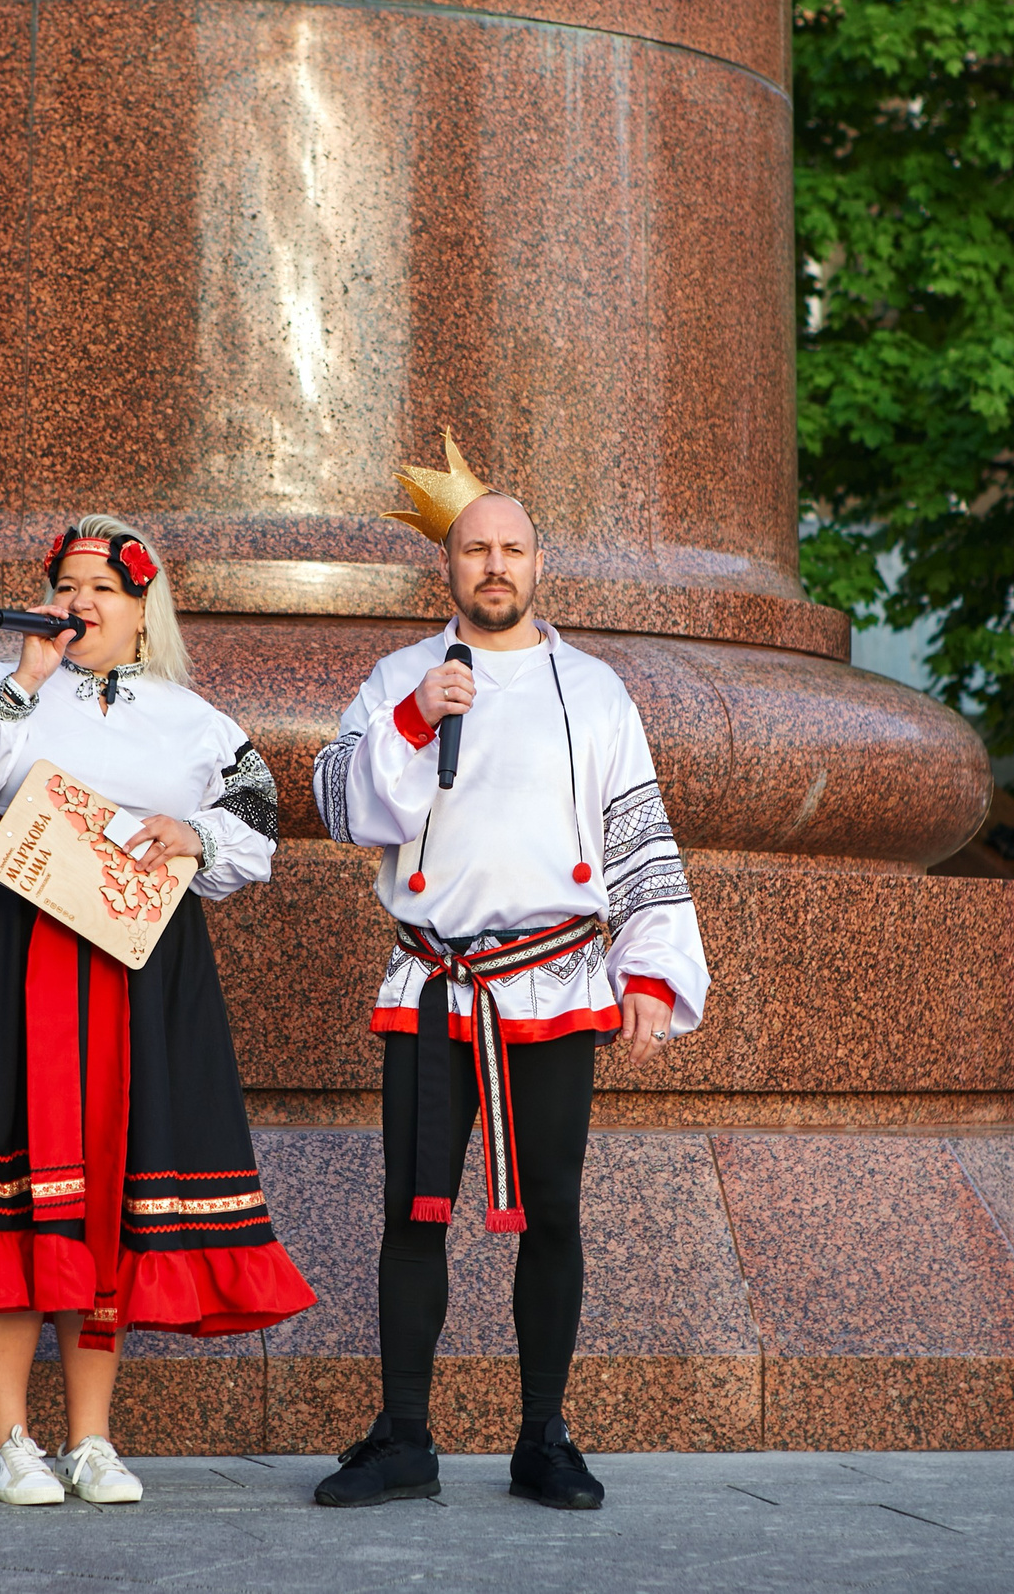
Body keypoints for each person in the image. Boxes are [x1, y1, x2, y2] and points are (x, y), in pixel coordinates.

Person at [0, 514, 317, 1507]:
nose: (81, 602)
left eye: (105, 585)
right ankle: (8, 1436)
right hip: (7, 957)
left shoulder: (193, 719)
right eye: (67, 583)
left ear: (144, 611)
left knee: (106, 1185)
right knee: (8, 1175)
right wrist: (22, 681)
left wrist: (188, 833)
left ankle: (92, 1439)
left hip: (133, 962)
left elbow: (257, 829)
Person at [308, 433, 709, 1511]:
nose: (494, 566)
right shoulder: (401, 677)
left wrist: (653, 973)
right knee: (413, 1210)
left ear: (540, 566)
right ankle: (403, 1437)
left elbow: (636, 832)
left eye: (513, 549)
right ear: (446, 566)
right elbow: (337, 801)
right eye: (476, 548)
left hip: (552, 980)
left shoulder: (595, 691)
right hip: (435, 985)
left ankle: (543, 1437)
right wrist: (411, 719)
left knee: (555, 1215)